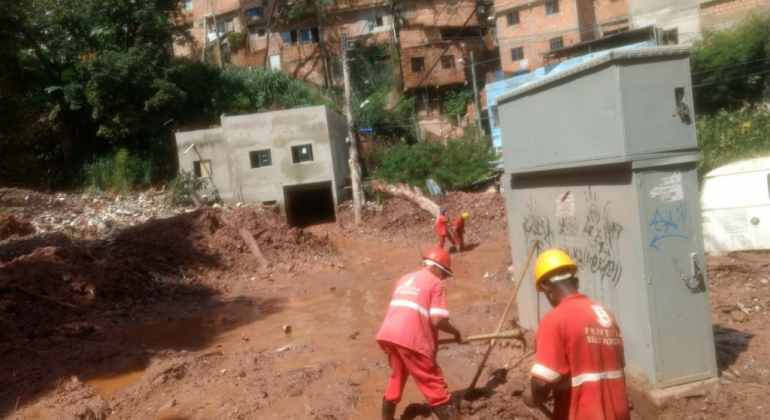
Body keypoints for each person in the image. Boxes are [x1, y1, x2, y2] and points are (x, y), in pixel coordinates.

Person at [522, 249, 630, 420]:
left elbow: (542, 382)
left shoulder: (554, 320)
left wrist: (532, 397)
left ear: (546, 289)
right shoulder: (605, 315)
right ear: (576, 282)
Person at [376, 248, 466, 420]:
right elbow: (437, 321)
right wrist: (457, 333)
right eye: (444, 273)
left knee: (397, 377)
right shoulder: (435, 283)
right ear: (435, 268)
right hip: (411, 338)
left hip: (388, 335)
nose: (443, 278)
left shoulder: (404, 279)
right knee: (434, 385)